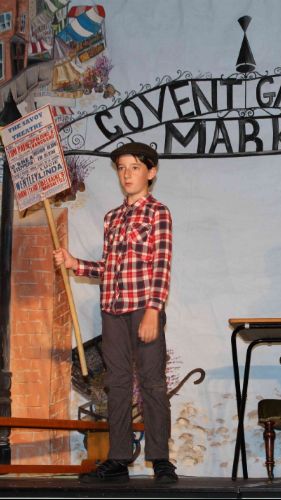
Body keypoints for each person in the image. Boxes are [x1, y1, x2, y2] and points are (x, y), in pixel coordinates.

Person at [54, 142, 177, 484]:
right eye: (122, 168)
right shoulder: (112, 218)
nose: (127, 174)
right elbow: (109, 268)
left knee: (152, 382)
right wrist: (75, 263)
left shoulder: (158, 213)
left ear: (151, 172)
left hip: (144, 308)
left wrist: (153, 310)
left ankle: (161, 459)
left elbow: (161, 265)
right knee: (117, 384)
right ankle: (119, 458)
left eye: (134, 167)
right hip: (112, 309)